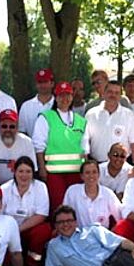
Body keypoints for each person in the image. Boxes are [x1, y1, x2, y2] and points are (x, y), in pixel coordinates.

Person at [34, 81, 87, 211]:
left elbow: (85, 148)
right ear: (56, 97)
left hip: (76, 173)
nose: (65, 99)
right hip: (54, 173)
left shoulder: (81, 121)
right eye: (61, 95)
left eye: (68, 95)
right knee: (58, 206)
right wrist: (42, 168)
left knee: (76, 207)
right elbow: (39, 146)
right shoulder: (46, 117)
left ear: (72, 97)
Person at [1, 156, 52, 266]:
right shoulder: (4, 189)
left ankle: (32, 263)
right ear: (14, 172)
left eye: (28, 171)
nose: (24, 175)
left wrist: (18, 230)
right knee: (7, 265)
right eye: (21, 171)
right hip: (8, 231)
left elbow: (41, 215)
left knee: (44, 230)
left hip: (30, 228)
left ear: (33, 173)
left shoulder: (40, 187)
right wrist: (11, 232)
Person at [83, 79, 134, 163]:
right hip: (97, 165)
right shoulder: (91, 114)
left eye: (117, 93)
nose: (113, 95)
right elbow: (85, 140)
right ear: (104, 93)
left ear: (120, 96)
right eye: (110, 92)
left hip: (122, 165)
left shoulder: (129, 115)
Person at [0, 109, 36, 185]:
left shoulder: (27, 142)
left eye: (12, 126)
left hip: (20, 185)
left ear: (17, 127)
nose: (8, 130)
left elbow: (31, 170)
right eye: (4, 126)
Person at [63, 158, 122, 229]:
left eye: (94, 172)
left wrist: (111, 233)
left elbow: (120, 217)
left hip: (101, 234)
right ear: (82, 176)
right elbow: (64, 216)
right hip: (79, 234)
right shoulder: (72, 191)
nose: (91, 176)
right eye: (87, 173)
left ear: (99, 175)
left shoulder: (108, 194)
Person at [18, 68, 55, 135]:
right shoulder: (26, 106)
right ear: (36, 84)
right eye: (40, 82)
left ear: (52, 84)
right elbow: (22, 132)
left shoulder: (59, 105)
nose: (42, 85)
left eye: (45, 82)